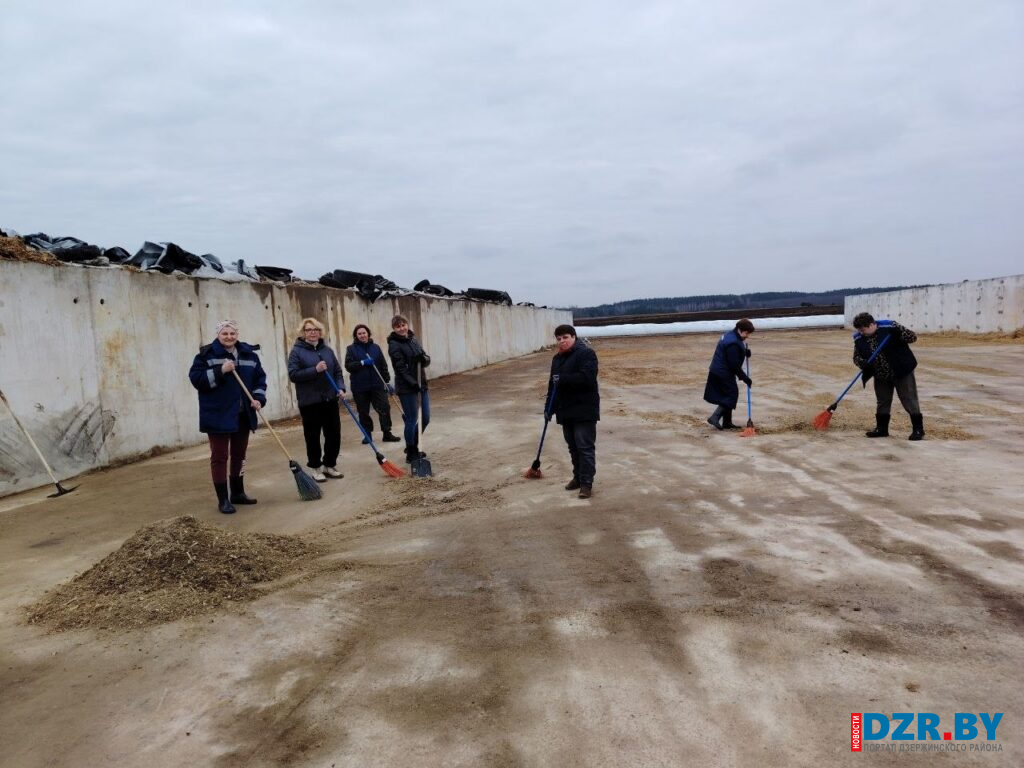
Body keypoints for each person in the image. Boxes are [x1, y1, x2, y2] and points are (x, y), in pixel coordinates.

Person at [188, 319, 267, 514]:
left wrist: (258, 399)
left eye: (232, 333)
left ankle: (238, 493)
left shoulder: (250, 355)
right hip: (218, 414)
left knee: (239, 455)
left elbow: (260, 379)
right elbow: (197, 380)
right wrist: (220, 371)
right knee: (220, 456)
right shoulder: (206, 355)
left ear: (237, 335)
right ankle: (223, 499)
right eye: (225, 333)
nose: (229, 337)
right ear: (218, 335)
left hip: (243, 414)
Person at [287, 317, 347, 482]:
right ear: (303, 332)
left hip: (330, 399)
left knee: (333, 434)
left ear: (320, 332)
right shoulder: (297, 352)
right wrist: (315, 369)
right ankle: (315, 468)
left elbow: (337, 372)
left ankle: (329, 465)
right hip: (310, 402)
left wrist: (340, 388)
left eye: (316, 330)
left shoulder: (327, 351)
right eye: (309, 330)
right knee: (312, 437)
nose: (313, 332)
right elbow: (293, 374)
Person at [852, 312, 925, 440]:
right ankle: (881, 429)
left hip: (901, 370)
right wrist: (863, 363)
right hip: (880, 374)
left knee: (908, 398)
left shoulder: (890, 327)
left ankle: (918, 429)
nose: (861, 332)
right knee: (883, 400)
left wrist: (900, 333)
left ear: (871, 324)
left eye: (863, 330)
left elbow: (912, 337)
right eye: (859, 330)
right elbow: (856, 357)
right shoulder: (859, 338)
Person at [547, 324, 600, 499]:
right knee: (573, 447)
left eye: (565, 337)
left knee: (584, 447)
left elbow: (587, 378)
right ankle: (577, 478)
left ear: (574, 337)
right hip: (565, 410)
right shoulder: (557, 359)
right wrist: (549, 409)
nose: (562, 341)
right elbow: (552, 386)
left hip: (584, 409)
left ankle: (586, 484)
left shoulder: (586, 354)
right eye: (559, 339)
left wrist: (563, 379)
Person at [344, 324, 401, 444]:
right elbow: (348, 366)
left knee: (384, 408)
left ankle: (387, 433)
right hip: (360, 387)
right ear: (356, 336)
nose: (362, 335)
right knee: (363, 412)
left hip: (377, 384)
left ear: (368, 334)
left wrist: (387, 382)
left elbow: (383, 365)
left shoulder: (375, 348)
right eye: (359, 334)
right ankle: (367, 435)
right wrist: (362, 362)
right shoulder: (351, 349)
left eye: (364, 333)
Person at [387, 315, 430, 463]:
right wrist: (412, 383)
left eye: (403, 325)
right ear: (394, 329)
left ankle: (414, 443)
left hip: (421, 384)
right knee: (411, 419)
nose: (401, 328)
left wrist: (424, 359)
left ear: (407, 324)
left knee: (426, 418)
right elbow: (400, 368)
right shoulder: (394, 345)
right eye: (398, 326)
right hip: (407, 388)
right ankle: (411, 452)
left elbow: (425, 357)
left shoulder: (413, 339)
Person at [704, 319, 755, 430]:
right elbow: (734, 365)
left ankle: (727, 423)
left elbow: (732, 353)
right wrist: (745, 378)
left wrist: (744, 352)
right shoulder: (733, 343)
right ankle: (715, 417)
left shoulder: (730, 335)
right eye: (746, 333)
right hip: (723, 372)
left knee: (728, 394)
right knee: (731, 394)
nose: (747, 336)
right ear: (740, 330)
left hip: (718, 369)